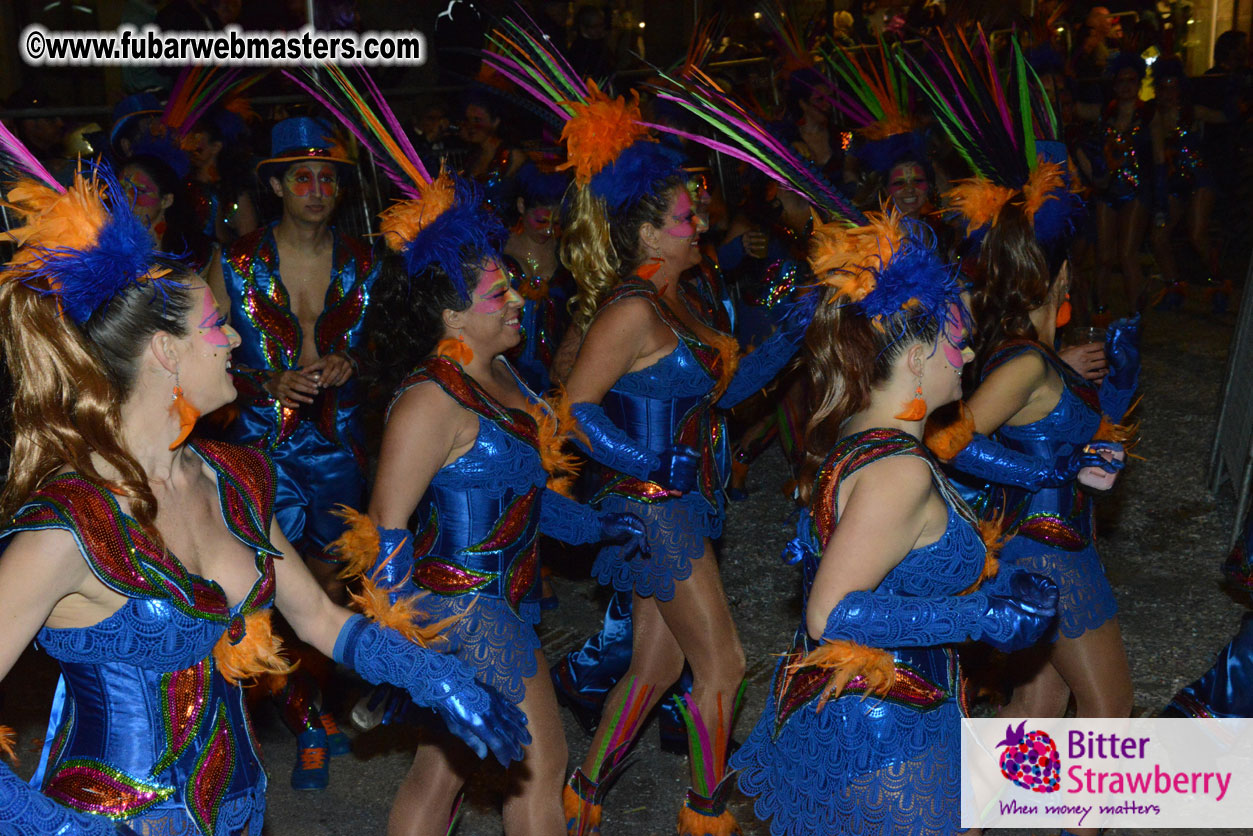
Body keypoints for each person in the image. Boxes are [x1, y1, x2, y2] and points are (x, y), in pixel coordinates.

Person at [0, 151, 527, 836]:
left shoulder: (236, 480)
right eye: (218, 326)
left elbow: (318, 619)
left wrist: (437, 679)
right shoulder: (68, 527)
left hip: (242, 812)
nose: (235, 342)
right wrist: (59, 829)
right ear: (166, 352)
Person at [731, 211, 1058, 836]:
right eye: (957, 337)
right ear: (914, 356)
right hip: (887, 737)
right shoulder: (898, 471)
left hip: (892, 716)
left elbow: (896, 571)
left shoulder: (862, 435)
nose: (967, 351)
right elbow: (830, 614)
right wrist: (981, 615)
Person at [555, 91, 809, 835]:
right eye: (682, 216)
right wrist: (644, 457)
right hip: (653, 504)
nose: (698, 222)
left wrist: (791, 334)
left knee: (656, 669)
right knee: (723, 665)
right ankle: (704, 814)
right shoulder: (631, 309)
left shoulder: (680, 299)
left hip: (686, 500)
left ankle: (582, 796)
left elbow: (722, 395)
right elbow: (574, 408)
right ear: (644, 234)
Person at [206, 116, 378, 788]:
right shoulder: (236, 261)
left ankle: (313, 699)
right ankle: (308, 718)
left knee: (332, 584)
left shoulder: (364, 260)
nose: (315, 188)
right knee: (266, 586)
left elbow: (392, 347)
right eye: (301, 176)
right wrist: (263, 379)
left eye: (326, 178)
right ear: (277, 185)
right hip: (259, 445)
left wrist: (349, 363)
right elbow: (204, 349)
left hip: (337, 444)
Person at [501, 160, 574, 395]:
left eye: (556, 223)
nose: (549, 231)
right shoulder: (497, 251)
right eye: (541, 221)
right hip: (506, 369)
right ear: (522, 206)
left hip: (556, 374)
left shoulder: (567, 254)